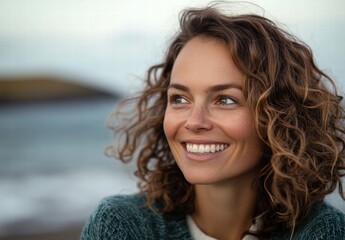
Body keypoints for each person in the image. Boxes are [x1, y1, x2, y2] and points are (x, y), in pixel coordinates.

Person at [80, 3, 345, 240]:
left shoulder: (324, 232)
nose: (194, 122)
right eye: (180, 99)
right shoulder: (120, 226)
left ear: (282, 116)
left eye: (225, 100)